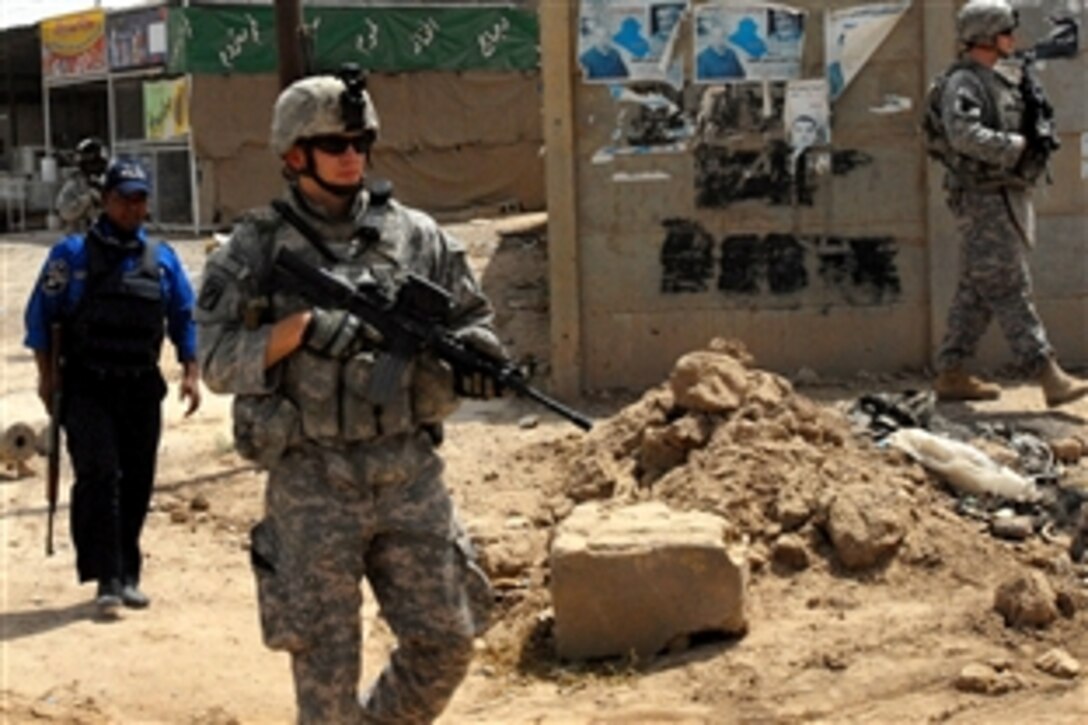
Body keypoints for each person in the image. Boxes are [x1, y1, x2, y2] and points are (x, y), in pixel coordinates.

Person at [194, 67, 497, 723]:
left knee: (448, 640)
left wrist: (480, 355)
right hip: (312, 480)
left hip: (408, 472)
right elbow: (214, 360)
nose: (352, 155)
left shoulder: (415, 236)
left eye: (361, 142)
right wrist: (298, 330)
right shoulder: (253, 248)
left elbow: (475, 318)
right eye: (336, 144)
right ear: (294, 155)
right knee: (326, 683)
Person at [25, 158, 202, 616]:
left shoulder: (160, 259)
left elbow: (185, 316)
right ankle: (105, 575)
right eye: (124, 197)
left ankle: (129, 573)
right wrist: (47, 377)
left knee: (138, 480)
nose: (132, 206)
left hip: (141, 386)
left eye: (140, 198)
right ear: (105, 200)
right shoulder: (71, 255)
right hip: (87, 387)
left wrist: (191, 370)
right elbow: (40, 320)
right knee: (100, 475)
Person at [932, 0, 1088, 406]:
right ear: (985, 36)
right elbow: (963, 135)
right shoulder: (963, 83)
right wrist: (1016, 147)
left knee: (977, 289)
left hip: (1003, 193)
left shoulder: (996, 80)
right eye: (1005, 32)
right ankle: (1046, 372)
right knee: (1008, 285)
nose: (1013, 40)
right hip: (982, 197)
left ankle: (951, 370)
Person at [55, 137, 108, 234]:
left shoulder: (108, 181)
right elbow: (65, 212)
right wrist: (88, 198)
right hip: (80, 238)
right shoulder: (74, 184)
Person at [579, 15, 629, 80]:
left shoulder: (615, 54)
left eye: (605, 36)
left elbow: (625, 76)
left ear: (609, 38)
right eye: (599, 36)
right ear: (594, 38)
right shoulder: (586, 58)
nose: (602, 39)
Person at [697, 15, 746, 80]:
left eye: (722, 36)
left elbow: (742, 76)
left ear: (725, 37)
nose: (719, 39)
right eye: (715, 36)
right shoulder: (703, 58)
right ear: (711, 38)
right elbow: (701, 81)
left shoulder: (731, 54)